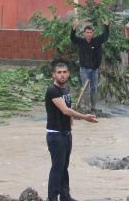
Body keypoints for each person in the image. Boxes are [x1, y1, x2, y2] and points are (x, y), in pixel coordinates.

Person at [45, 59, 98, 201]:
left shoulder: (66, 89)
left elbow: (68, 109)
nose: (62, 75)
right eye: (59, 72)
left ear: (68, 73)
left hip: (66, 134)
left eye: (64, 72)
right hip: (55, 135)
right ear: (53, 75)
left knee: (64, 167)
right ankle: (52, 198)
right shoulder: (52, 90)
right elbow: (65, 110)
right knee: (57, 168)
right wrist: (84, 117)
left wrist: (71, 120)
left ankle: (65, 196)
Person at [70, 18, 109, 112]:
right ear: (84, 33)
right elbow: (73, 38)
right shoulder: (81, 42)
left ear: (93, 33)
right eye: (87, 32)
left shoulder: (97, 41)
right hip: (84, 69)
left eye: (90, 32)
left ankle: (93, 106)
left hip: (94, 69)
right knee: (85, 89)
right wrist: (73, 29)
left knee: (94, 88)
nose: (89, 34)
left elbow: (105, 36)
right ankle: (86, 107)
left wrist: (106, 26)